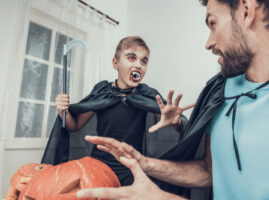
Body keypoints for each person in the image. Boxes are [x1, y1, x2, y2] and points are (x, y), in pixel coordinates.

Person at [76, 0, 269, 199]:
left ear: (246, 10)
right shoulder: (218, 91)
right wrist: (144, 164)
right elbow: (209, 172)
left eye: (213, 23)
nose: (209, 43)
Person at [41, 36, 193, 186]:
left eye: (144, 61)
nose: (139, 65)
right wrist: (63, 111)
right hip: (98, 167)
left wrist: (177, 122)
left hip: (132, 169)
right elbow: (73, 126)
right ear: (116, 63)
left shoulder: (147, 94)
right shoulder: (103, 91)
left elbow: (173, 123)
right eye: (131, 58)